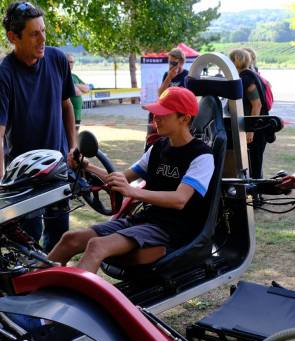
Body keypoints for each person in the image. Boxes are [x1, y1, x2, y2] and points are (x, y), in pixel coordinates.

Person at [47, 87, 214, 274]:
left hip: (171, 229)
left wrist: (132, 191)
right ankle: (30, 291)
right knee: (70, 238)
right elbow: (121, 179)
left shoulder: (202, 156)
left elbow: (180, 200)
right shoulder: (158, 148)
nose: (155, 118)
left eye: (163, 114)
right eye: (155, 112)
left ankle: (73, 302)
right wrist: (86, 167)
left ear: (185, 118)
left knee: (96, 246)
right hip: (145, 220)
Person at [0, 1, 77, 252]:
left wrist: (73, 147)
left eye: (44, 31)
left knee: (59, 237)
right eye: (34, 34)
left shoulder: (57, 59)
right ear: (13, 37)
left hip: (58, 169)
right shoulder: (3, 74)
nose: (42, 39)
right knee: (27, 241)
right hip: (23, 175)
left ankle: (53, 288)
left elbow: (66, 105)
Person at [229, 48, 269, 179]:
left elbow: (257, 105)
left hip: (255, 130)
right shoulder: (248, 76)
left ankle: (257, 198)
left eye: (230, 60)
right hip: (254, 128)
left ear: (236, 61)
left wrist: (250, 130)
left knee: (254, 166)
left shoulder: (247, 78)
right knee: (251, 165)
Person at [146, 47, 188, 148]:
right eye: (169, 63)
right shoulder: (167, 74)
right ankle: (151, 144)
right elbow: (160, 94)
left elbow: (188, 96)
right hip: (167, 108)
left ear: (181, 62)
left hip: (179, 110)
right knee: (152, 115)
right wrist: (169, 78)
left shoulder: (186, 75)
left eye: (174, 63)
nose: (171, 66)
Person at [66, 53, 90, 131]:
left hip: (78, 115)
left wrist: (75, 85)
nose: (70, 64)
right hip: (68, 115)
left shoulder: (74, 76)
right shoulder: (62, 75)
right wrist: (79, 88)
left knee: (76, 137)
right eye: (68, 61)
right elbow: (76, 92)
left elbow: (87, 88)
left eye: (72, 62)